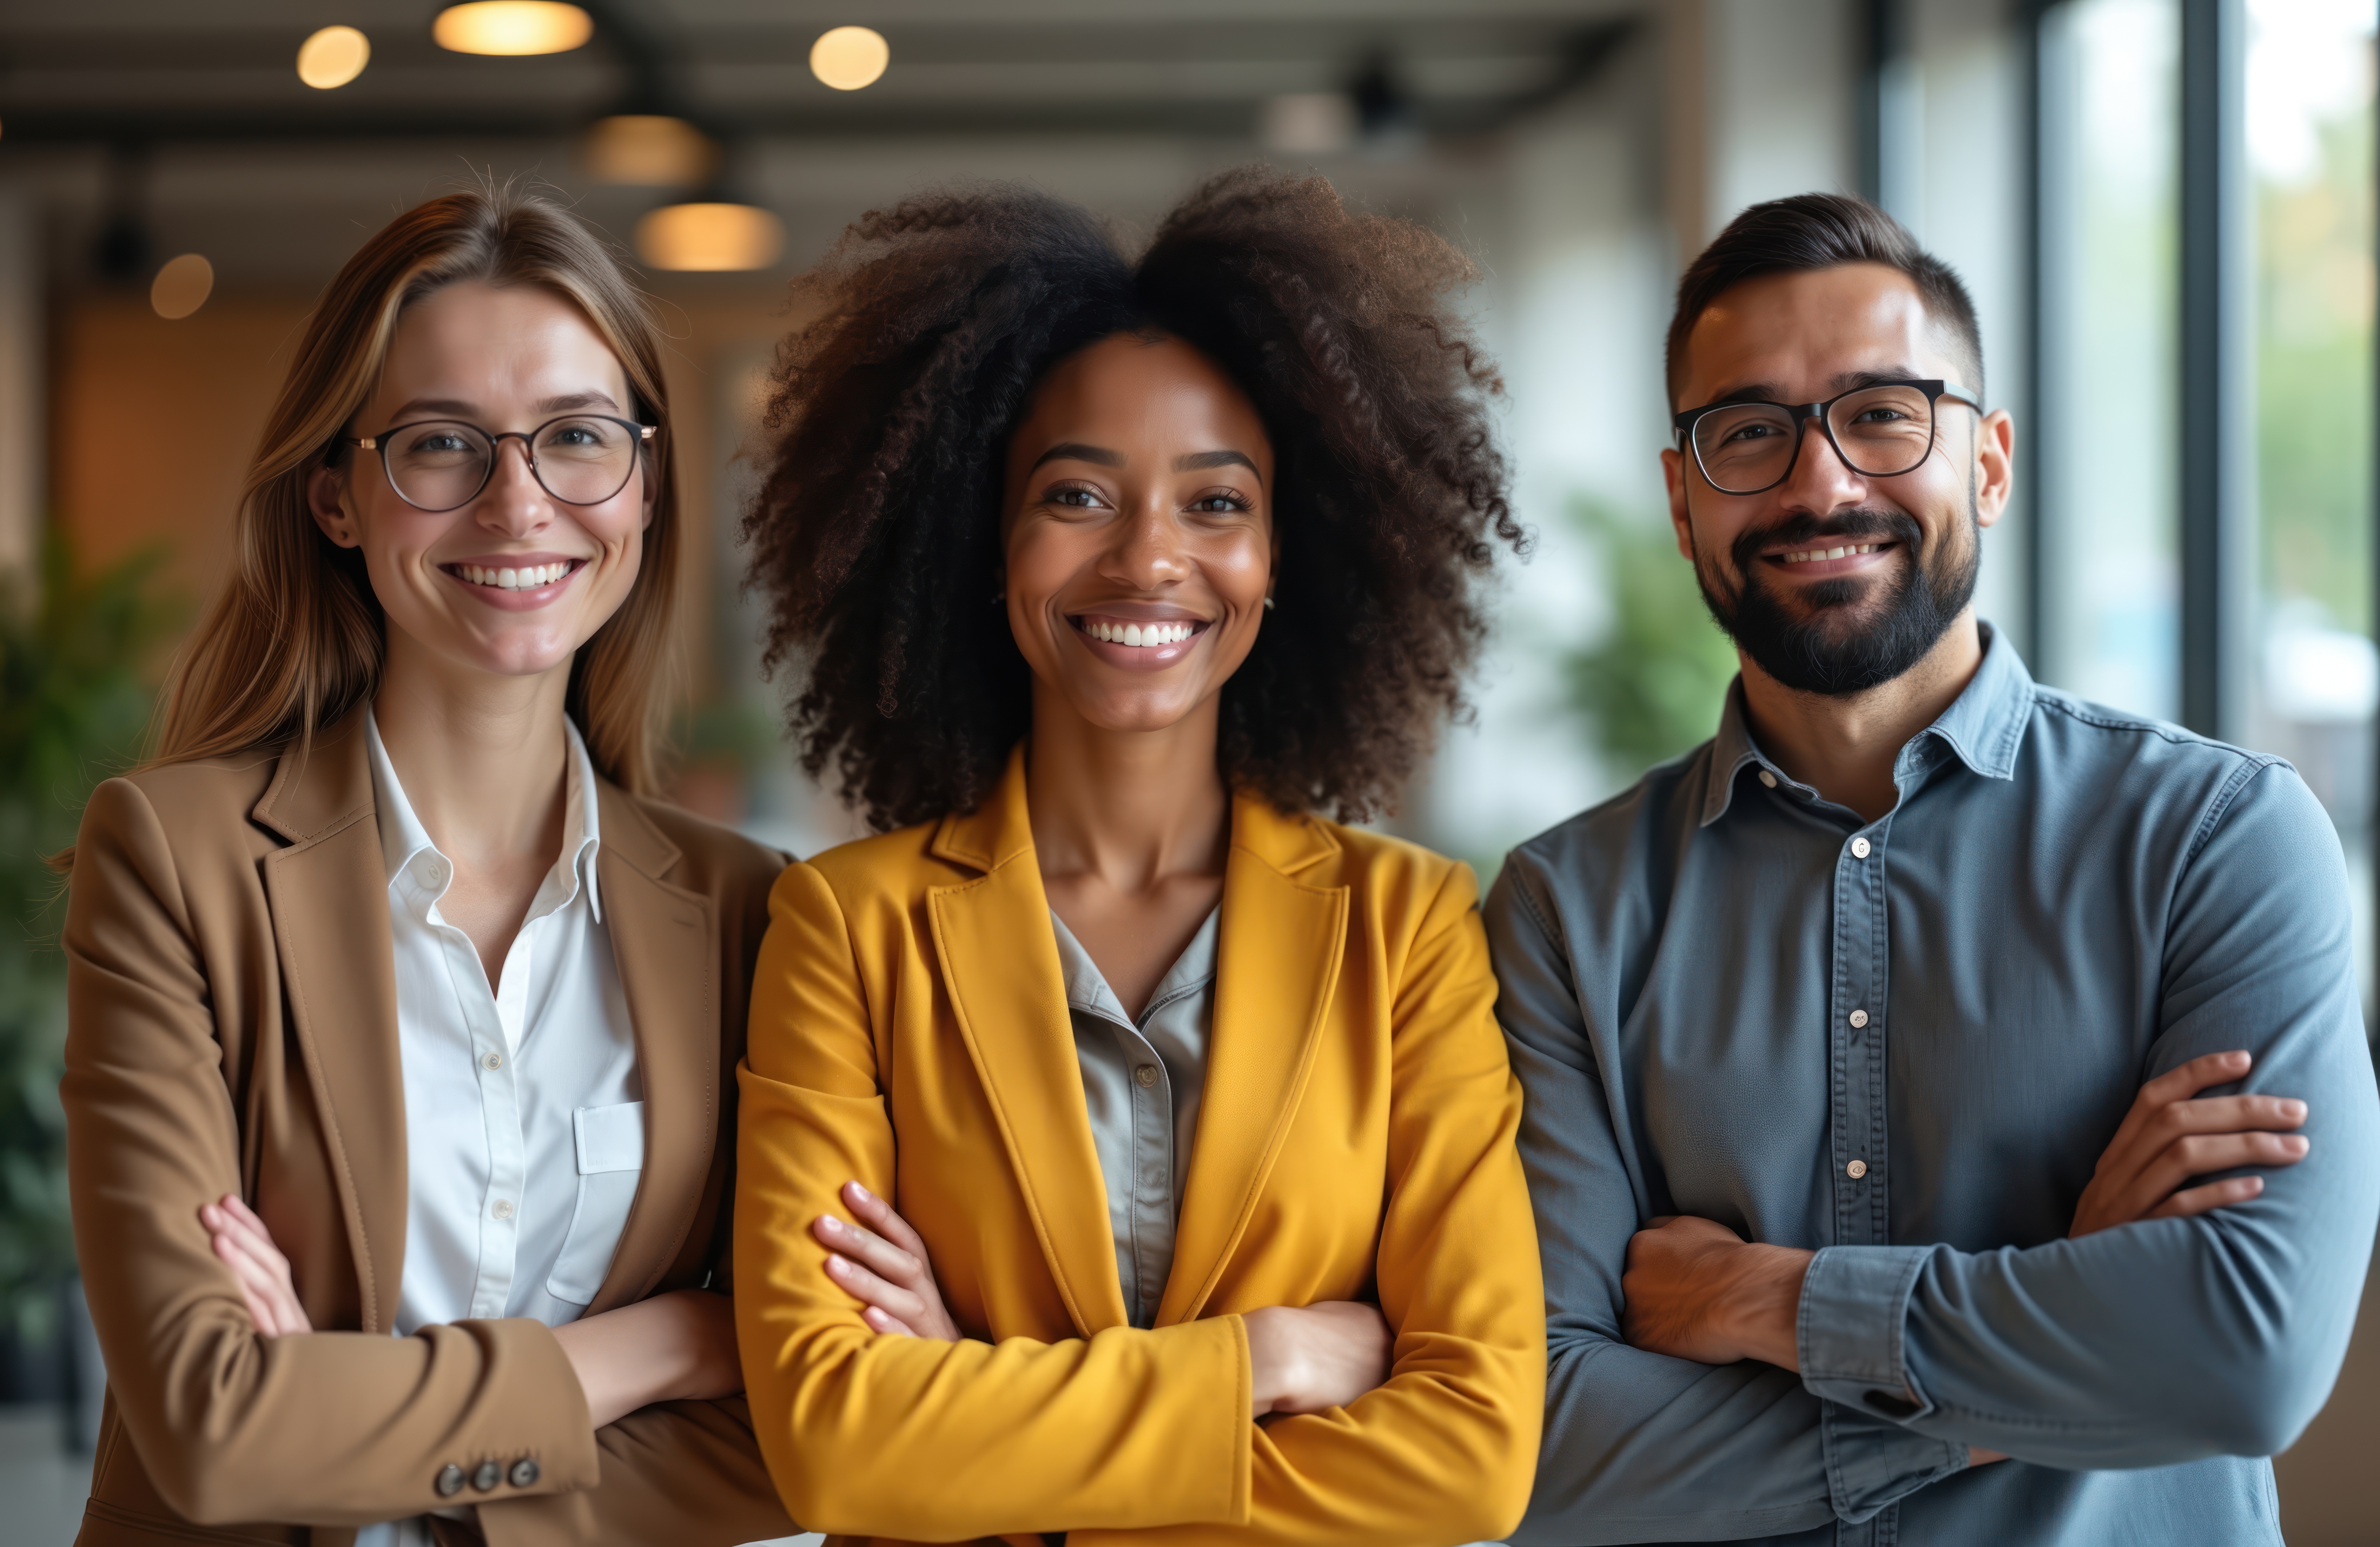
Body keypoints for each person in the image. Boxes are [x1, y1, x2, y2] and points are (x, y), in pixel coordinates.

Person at [1493, 190, 2380, 1547]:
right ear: (1682, 503)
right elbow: (1537, 1440)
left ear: (1991, 462)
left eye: (1884, 414)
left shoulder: (2220, 839)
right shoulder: (1567, 912)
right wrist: (2050, 1330)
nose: (1821, 483)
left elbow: (2241, 1356)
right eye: (1748, 433)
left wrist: (1762, 1303)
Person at [730, 170, 1545, 1547]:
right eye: (1077, 494)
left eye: (1217, 503)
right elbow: (835, 1451)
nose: (1149, 557)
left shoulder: (1409, 927)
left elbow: (1471, 1457)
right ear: (986, 547)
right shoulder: (845, 930)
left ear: (1288, 553)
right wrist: (1270, 1362)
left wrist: (993, 1435)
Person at [60, 186, 797, 1547]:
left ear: (641, 488)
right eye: (443, 445)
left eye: (578, 437)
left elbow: (809, 1427)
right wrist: (673, 1347)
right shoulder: (177, 863)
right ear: (338, 497)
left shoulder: (754, 913)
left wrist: (338, 1428)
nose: (519, 503)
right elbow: (216, 1434)